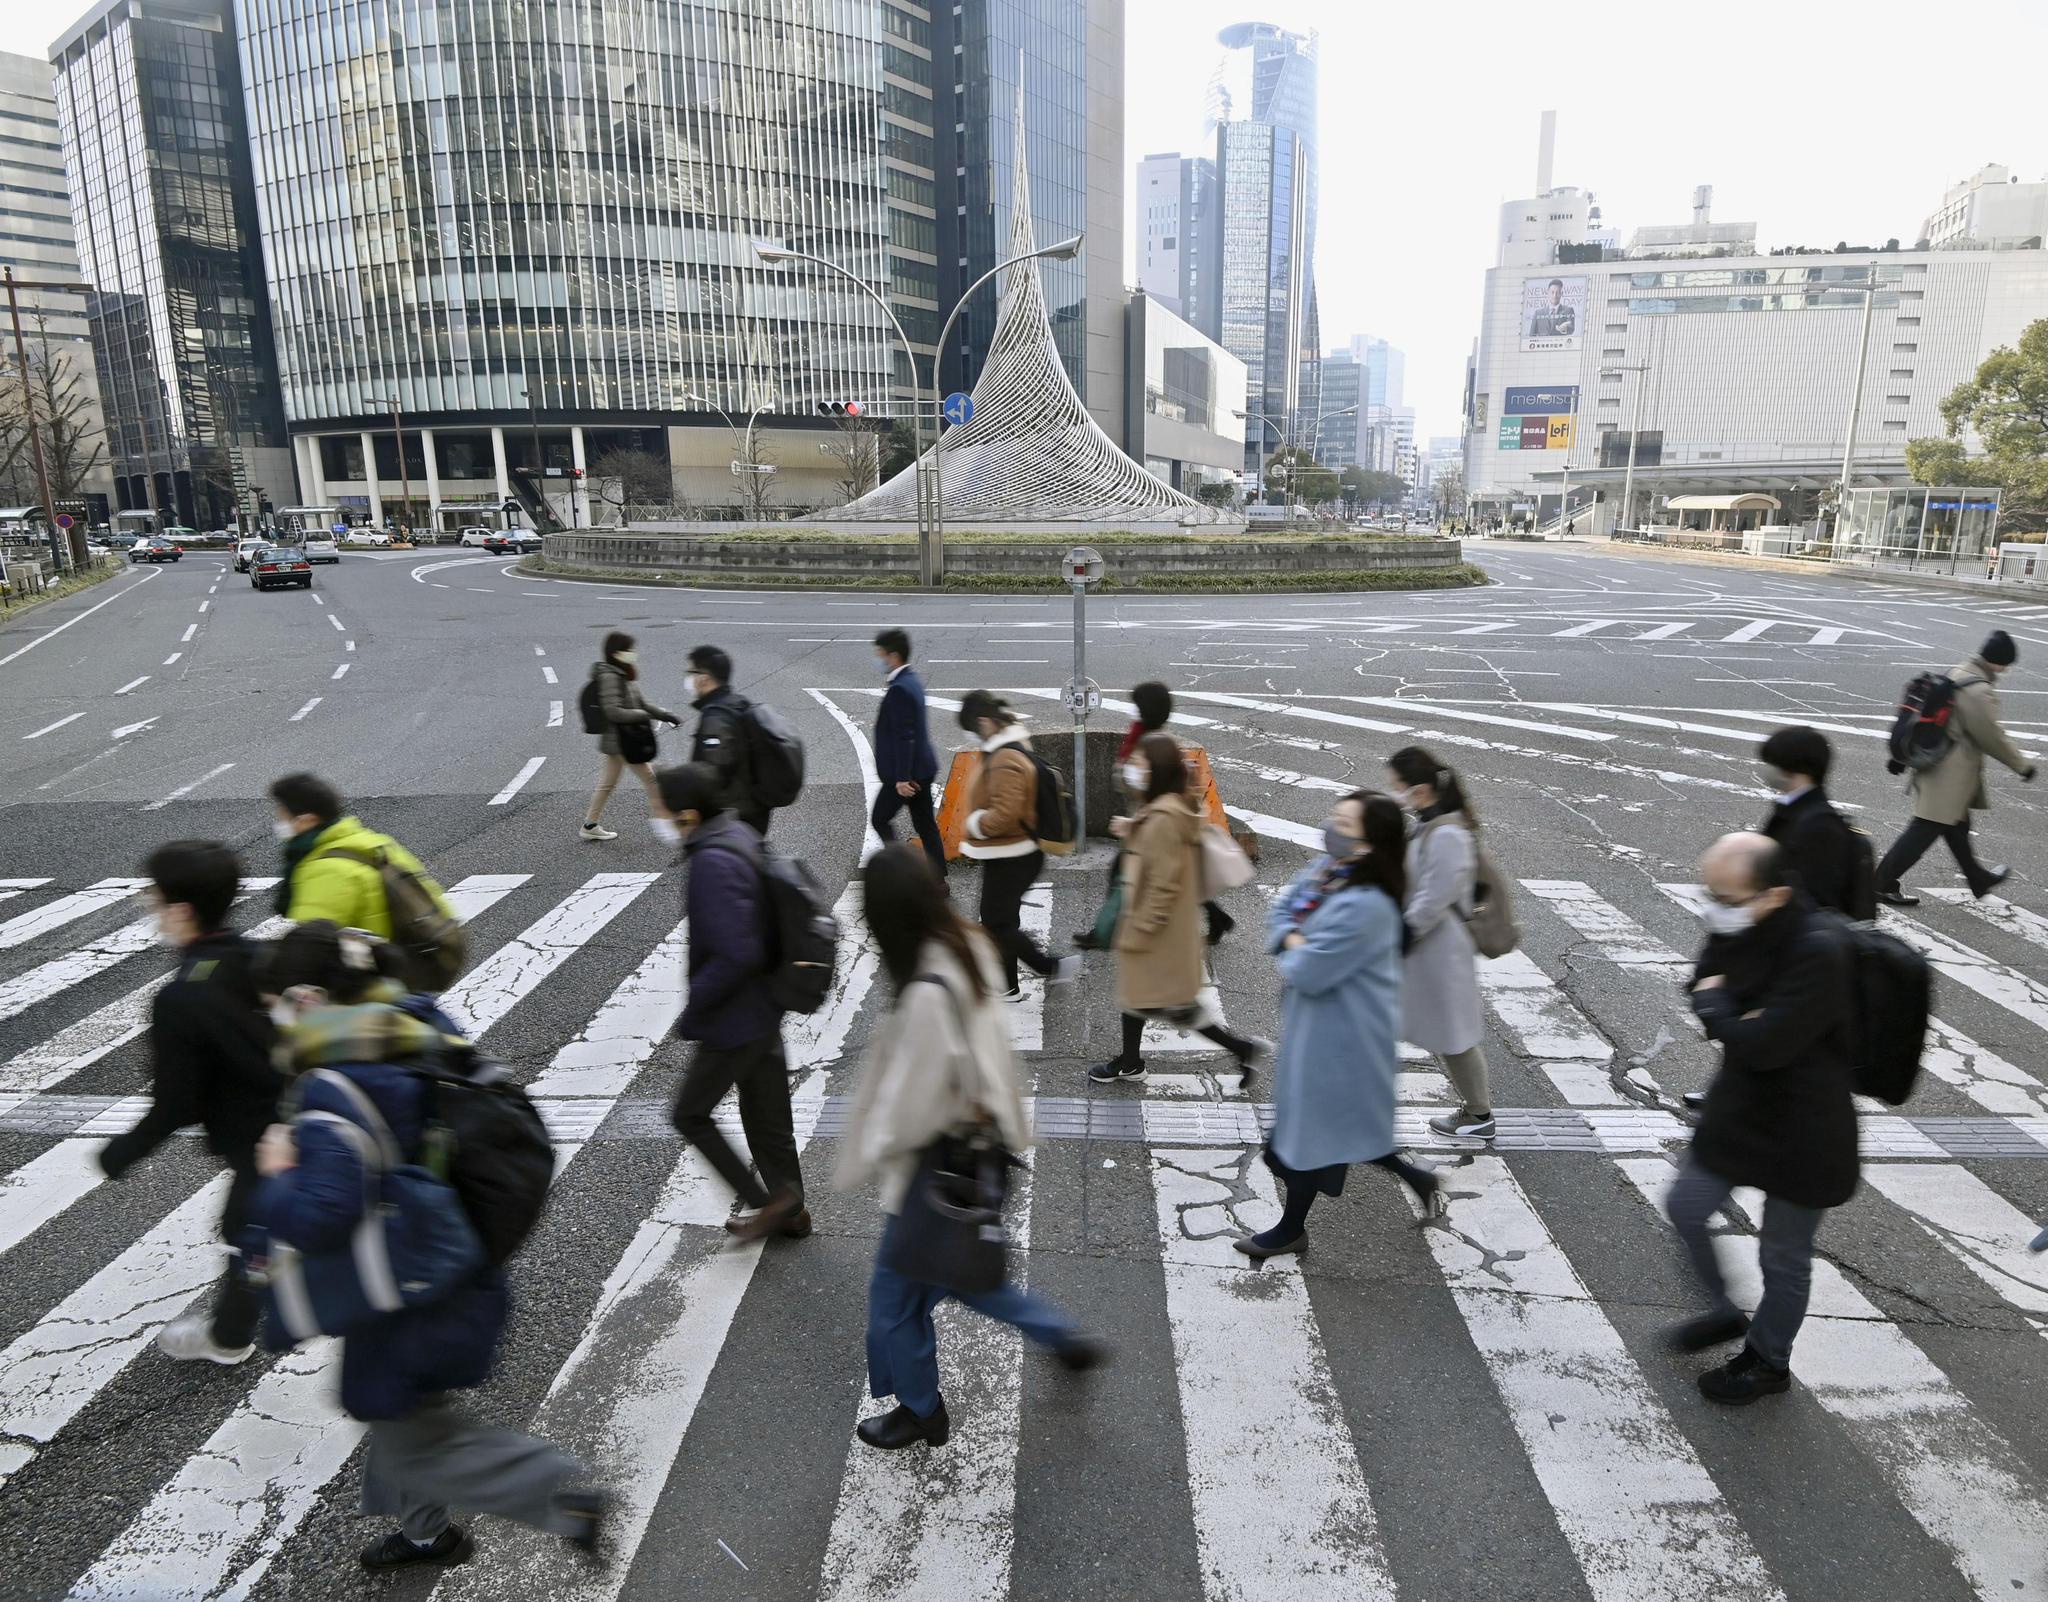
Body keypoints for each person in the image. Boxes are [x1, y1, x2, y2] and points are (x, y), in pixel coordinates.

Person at [254, 922, 603, 1569]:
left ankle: (560, 1496)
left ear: (305, 999)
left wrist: (276, 1178)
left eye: (275, 1001)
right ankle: (425, 1535)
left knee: (405, 1424)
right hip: (447, 1260)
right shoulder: (408, 1018)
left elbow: (323, 1215)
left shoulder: (338, 1082)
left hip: (405, 1290)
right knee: (408, 1415)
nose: (272, 1018)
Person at [837, 845, 1104, 1450]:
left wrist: (874, 1146)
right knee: (967, 1280)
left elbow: (913, 1107)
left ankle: (921, 1410)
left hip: (936, 1170)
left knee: (896, 1302)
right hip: (981, 1157)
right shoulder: (964, 943)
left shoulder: (927, 988)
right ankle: (1062, 1336)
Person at [1665, 832, 1857, 1405]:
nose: (1712, 908)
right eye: (1710, 893)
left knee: (1784, 1255)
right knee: (1687, 1205)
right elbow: (1703, 978)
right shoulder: (1741, 921)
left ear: (1773, 894)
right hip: (1741, 1105)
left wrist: (1722, 1006)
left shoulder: (1819, 949)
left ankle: (1768, 1361)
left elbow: (1764, 1042)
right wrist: (1729, 1011)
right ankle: (1724, 1309)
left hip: (1807, 1127)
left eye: (1725, 896)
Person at [1237, 791, 1443, 1259]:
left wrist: (1292, 937)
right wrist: (1295, 936)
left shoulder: (1368, 905)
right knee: (1340, 1127)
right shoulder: (1328, 872)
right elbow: (1279, 911)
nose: (1332, 826)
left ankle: (1290, 1230)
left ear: (1369, 843)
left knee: (1306, 1138)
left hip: (1342, 1039)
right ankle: (1416, 1177)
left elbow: (1308, 968)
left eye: (1344, 822)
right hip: (1318, 1028)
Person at [98, 840, 278, 1365]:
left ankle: (229, 1338)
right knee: (258, 1227)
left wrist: (123, 1152)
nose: (152, 913)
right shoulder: (257, 957)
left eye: (153, 901)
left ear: (180, 910)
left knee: (250, 1234)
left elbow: (176, 1102)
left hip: (260, 1138)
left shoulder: (179, 998)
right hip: (304, 1119)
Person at [659, 761, 807, 1241]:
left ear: (687, 814)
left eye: (661, 808)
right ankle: (792, 1214)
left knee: (690, 1114)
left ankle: (771, 1206)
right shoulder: (737, 833)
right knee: (768, 1120)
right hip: (762, 1005)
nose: (656, 816)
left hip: (735, 1016)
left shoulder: (712, 861)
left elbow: (736, 951)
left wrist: (695, 1007)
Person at [1088, 732, 1269, 1084]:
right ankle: (1131, 1061)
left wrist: (1137, 932)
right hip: (1170, 928)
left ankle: (1238, 1049)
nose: (1131, 768)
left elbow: (1163, 884)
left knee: (1163, 1002)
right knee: (1146, 998)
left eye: (1139, 763)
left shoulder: (1163, 818)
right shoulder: (1168, 807)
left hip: (1159, 931)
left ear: (1156, 770)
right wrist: (1134, 828)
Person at [1875, 631, 2036, 906]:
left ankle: (1977, 879)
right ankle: (1879, 884)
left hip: (1938, 767)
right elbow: (1991, 737)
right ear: (1996, 661)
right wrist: (2021, 766)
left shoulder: (1959, 671)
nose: (2006, 669)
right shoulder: (1978, 690)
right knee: (1923, 832)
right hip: (1949, 776)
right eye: (2005, 664)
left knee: (1957, 828)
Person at [1388, 747, 1496, 1140]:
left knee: (1455, 1036)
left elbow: (1435, 897)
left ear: (1419, 789)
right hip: (1429, 950)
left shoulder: (1448, 833)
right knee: (1444, 1032)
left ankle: (1479, 1114)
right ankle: (1477, 1111)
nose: (1394, 793)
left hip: (1441, 950)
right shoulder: (1430, 823)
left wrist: (1401, 933)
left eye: (1397, 786)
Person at [955, 690, 1081, 1001]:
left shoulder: (1005, 758)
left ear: (984, 722)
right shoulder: (1012, 747)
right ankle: (1007, 985)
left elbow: (1006, 814)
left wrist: (975, 824)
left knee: (997, 922)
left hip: (1013, 852)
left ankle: (1051, 967)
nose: (974, 737)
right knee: (1001, 921)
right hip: (1011, 852)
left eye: (974, 729)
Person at [270, 772, 453, 938]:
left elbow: (307, 950)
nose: (279, 824)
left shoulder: (325, 870)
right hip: (413, 960)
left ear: (308, 820)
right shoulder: (376, 843)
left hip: (381, 971)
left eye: (283, 817)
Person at [581, 630, 681, 842]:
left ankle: (590, 824)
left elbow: (641, 703)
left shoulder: (622, 674)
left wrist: (666, 715)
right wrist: (642, 715)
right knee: (652, 780)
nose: (633, 653)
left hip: (619, 741)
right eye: (628, 650)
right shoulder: (610, 676)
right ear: (616, 653)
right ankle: (668, 823)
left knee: (607, 784)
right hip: (622, 741)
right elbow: (612, 710)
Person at [1756, 726, 1863, 914]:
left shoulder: (1820, 827)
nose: (1768, 769)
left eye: (1773, 763)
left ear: (1794, 768)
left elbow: (1818, 901)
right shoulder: (1797, 810)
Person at [869, 628, 945, 877]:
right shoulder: (912, 680)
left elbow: (905, 736)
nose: (878, 659)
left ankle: (903, 871)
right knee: (925, 825)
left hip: (906, 774)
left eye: (880, 654)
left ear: (893, 656)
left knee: (880, 818)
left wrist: (901, 777)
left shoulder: (899, 689)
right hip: (922, 768)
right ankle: (937, 880)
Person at [686, 644, 771, 835]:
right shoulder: (738, 702)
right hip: (754, 811)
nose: (690, 679)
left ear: (704, 678)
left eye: (692, 672)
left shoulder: (716, 719)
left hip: (734, 819)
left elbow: (712, 773)